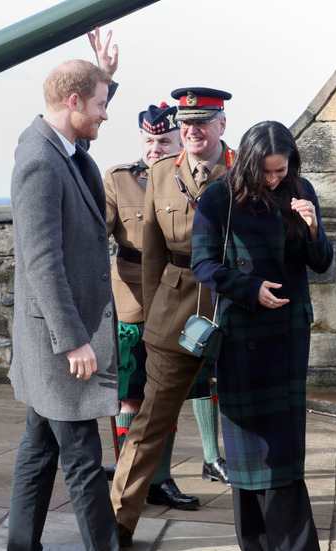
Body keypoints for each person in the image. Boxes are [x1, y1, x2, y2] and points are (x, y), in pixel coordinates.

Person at [190, 121, 333, 550]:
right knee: (250, 450)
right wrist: (250, 289)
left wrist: (312, 228)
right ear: (249, 163)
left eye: (281, 170)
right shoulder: (218, 199)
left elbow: (321, 262)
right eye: (267, 172)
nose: (274, 179)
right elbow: (203, 265)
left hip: (287, 336)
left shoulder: (300, 189)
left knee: (285, 449)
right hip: (242, 335)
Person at [5, 32, 122, 551]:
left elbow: (87, 102)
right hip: (57, 342)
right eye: (99, 104)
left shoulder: (65, 147)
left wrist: (105, 74)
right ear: (74, 102)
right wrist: (74, 339)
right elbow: (41, 262)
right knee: (81, 460)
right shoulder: (39, 161)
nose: (105, 114)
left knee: (37, 451)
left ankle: (20, 545)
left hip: (51, 342)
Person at [110, 87, 235, 547]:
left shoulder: (245, 171)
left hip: (232, 308)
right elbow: (152, 256)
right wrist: (154, 313)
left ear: (222, 124)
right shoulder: (162, 174)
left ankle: (261, 524)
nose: (193, 130)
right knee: (149, 423)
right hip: (174, 310)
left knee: (243, 423)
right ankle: (118, 524)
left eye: (203, 121)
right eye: (187, 122)